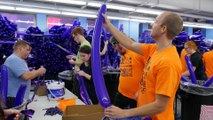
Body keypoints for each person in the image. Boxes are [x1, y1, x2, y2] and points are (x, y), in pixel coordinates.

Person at [103, 11, 183, 120]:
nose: (151, 25)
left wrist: (124, 113)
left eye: (155, 21)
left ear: (163, 29)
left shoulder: (168, 62)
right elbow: (130, 43)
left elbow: (160, 106)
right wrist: (109, 25)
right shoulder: (154, 49)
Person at [110, 36, 145, 109]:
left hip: (136, 96)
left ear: (120, 43)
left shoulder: (138, 52)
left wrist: (141, 91)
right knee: (112, 114)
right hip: (121, 94)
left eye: (115, 46)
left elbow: (149, 72)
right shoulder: (123, 54)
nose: (115, 49)